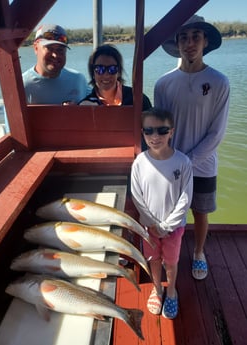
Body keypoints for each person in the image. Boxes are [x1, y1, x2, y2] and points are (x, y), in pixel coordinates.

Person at [154, 15, 230, 280]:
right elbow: (159, 127)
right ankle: (169, 255)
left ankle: (199, 252)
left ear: (205, 41)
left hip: (204, 164)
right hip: (171, 164)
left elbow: (217, 133)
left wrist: (189, 160)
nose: (189, 43)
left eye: (196, 36)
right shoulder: (163, 83)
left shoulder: (220, 81)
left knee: (200, 212)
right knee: (170, 215)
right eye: (183, 37)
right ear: (177, 43)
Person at [131, 107, 193, 318]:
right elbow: (136, 196)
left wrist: (166, 226)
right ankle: (157, 288)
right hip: (148, 228)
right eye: (148, 131)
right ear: (142, 132)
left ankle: (172, 289)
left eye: (161, 130)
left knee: (172, 262)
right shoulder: (139, 162)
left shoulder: (183, 162)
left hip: (173, 229)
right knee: (154, 260)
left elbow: (185, 198)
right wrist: (151, 223)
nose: (155, 136)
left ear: (172, 132)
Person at [22, 24, 90, 104]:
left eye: (60, 50)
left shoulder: (78, 80)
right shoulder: (22, 85)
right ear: (36, 48)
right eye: (49, 48)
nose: (55, 55)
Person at [78, 44, 152, 109]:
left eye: (112, 69)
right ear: (92, 72)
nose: (106, 75)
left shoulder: (139, 100)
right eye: (100, 69)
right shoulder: (84, 106)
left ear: (119, 72)